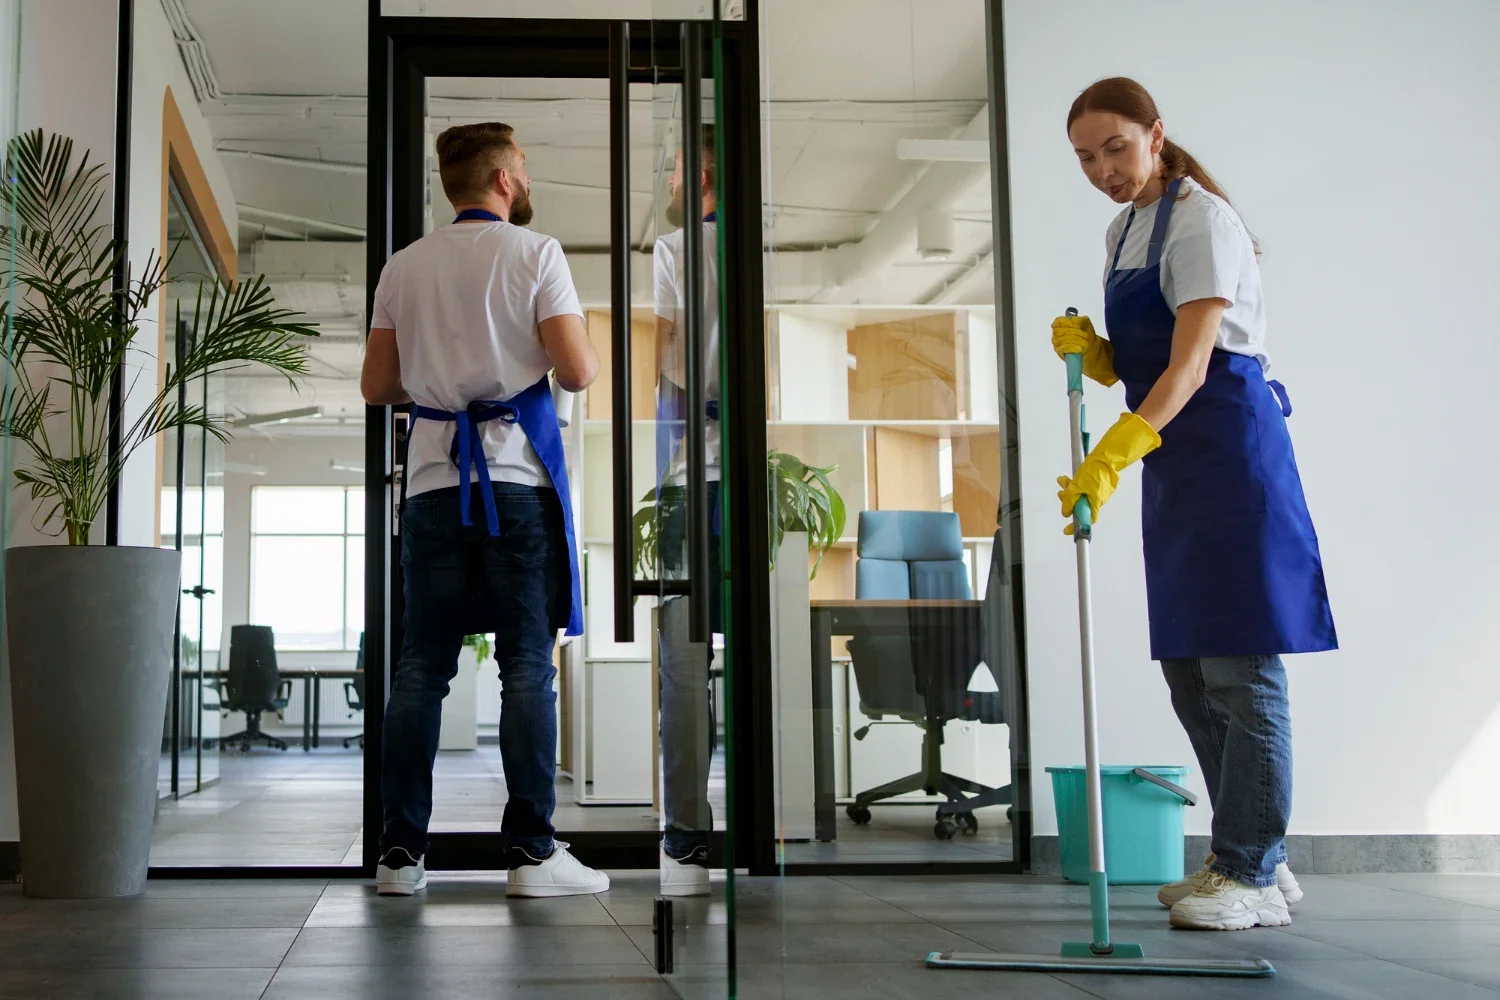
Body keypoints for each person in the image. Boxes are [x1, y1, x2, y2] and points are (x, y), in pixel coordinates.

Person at [1054, 78, 1336, 931]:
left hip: (1229, 450)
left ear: (1155, 134)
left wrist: (1114, 452)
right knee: (1188, 672)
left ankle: (1252, 869)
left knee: (1242, 669)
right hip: (1176, 457)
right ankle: (1245, 856)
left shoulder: (1201, 217)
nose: (1103, 169)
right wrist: (1099, 357)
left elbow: (1195, 363)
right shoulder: (1124, 227)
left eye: (1115, 148)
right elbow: (1150, 355)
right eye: (1085, 158)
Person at [361, 121, 608, 899]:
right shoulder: (538, 255)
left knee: (421, 671)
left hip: (433, 484)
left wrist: (444, 381)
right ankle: (532, 856)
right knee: (527, 666)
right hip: (516, 485)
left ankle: (400, 857)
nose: (527, 181)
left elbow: (376, 386)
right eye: (524, 169)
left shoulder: (403, 266)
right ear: (503, 180)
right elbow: (577, 372)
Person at [652, 125, 720, 897]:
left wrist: (660, 459)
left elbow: (666, 363)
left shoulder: (675, 251)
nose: (670, 179)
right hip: (742, 475)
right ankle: (771, 820)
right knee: (746, 655)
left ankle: (687, 828)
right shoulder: (750, 248)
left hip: (687, 477)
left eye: (675, 168)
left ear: (700, 175)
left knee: (682, 661)